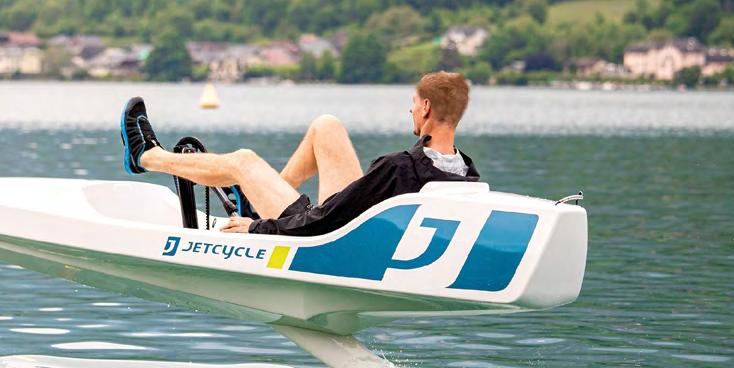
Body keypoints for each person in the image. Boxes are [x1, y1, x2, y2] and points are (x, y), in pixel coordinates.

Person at [120, 71, 479, 236]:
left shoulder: (397, 167)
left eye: (414, 103)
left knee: (243, 160)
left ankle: (147, 157)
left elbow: (325, 222)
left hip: (326, 239)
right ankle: (256, 200)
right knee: (327, 126)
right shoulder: (466, 176)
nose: (410, 110)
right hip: (357, 233)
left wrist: (258, 228)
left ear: (427, 108)